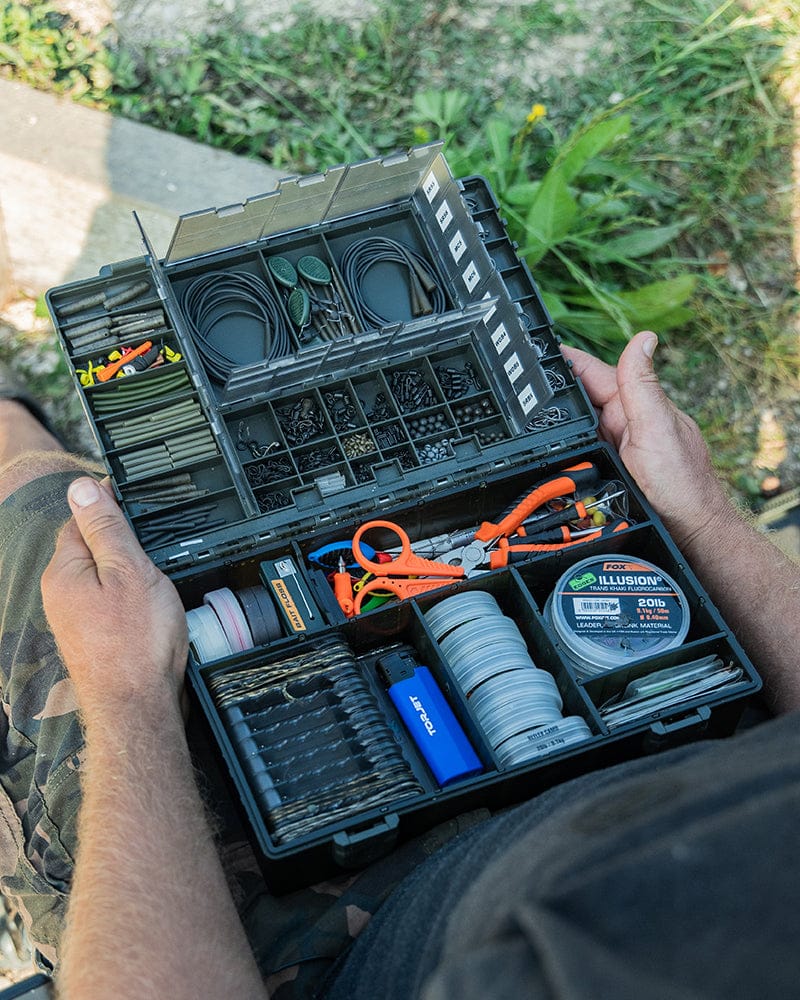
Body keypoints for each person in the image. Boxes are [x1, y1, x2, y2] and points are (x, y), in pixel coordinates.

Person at [0, 331, 798, 999]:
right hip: (665, 757)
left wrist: (127, 694)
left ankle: (13, 428)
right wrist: (698, 516)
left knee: (41, 500)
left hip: (335, 946)